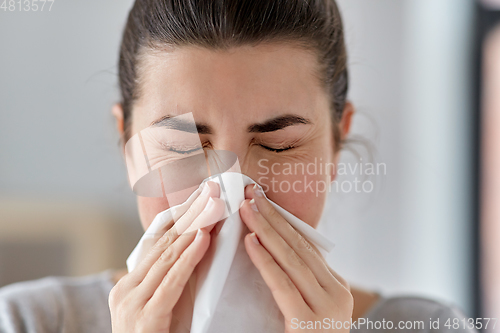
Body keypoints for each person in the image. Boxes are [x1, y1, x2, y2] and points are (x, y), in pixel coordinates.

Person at [0, 0, 476, 332]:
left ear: (336, 141)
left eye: (279, 145)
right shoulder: (28, 322)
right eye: (183, 147)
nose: (228, 193)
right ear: (130, 145)